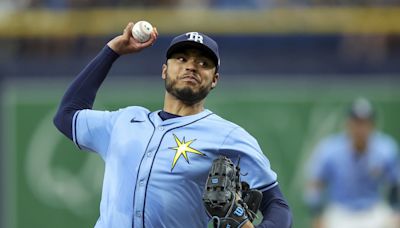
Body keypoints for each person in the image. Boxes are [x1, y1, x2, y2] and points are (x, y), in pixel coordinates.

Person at [53, 22, 292, 228]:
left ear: (214, 80)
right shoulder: (124, 121)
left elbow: (277, 204)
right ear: (164, 70)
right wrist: (112, 50)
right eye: (182, 58)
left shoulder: (228, 136)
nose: (191, 66)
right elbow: (66, 115)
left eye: (203, 63)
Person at [305, 98, 400, 228]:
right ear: (348, 124)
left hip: (373, 210)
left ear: (373, 125)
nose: (360, 129)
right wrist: (317, 214)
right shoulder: (330, 149)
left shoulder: (385, 148)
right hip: (341, 211)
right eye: (357, 123)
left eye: (365, 123)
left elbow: (394, 185)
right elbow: (315, 185)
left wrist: (396, 212)